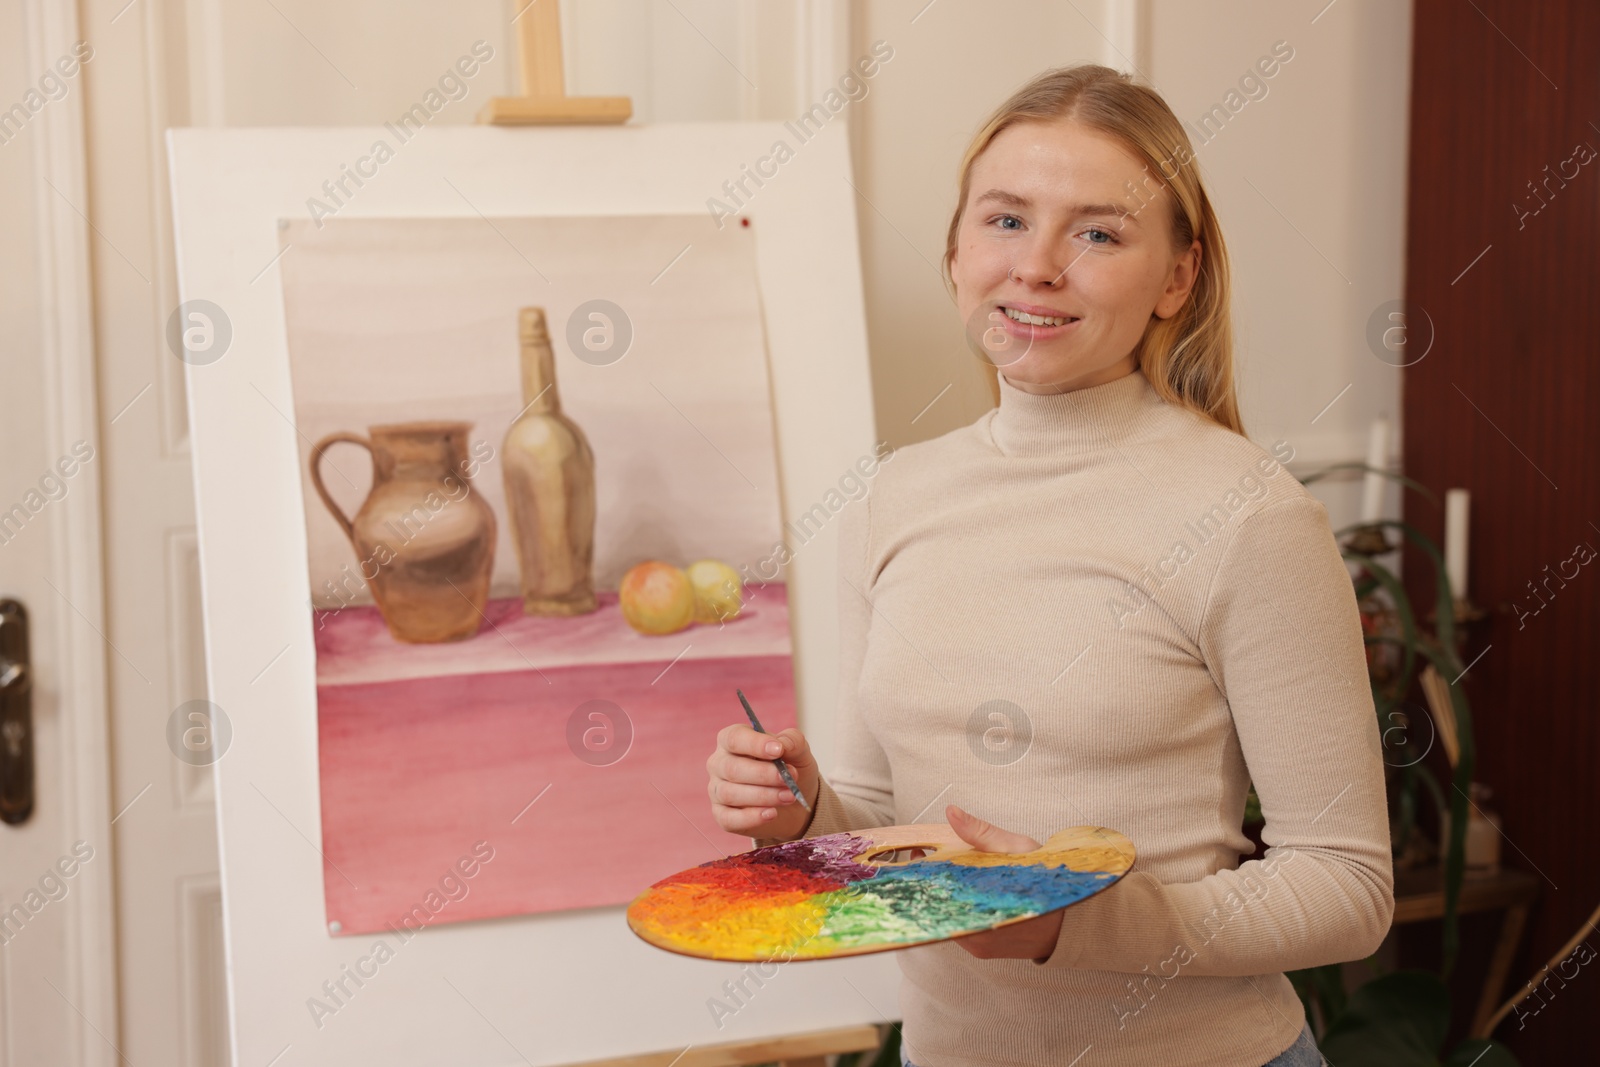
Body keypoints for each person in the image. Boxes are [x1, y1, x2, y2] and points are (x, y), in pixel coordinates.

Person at [705, 64, 1391, 1067]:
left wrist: (1070, 922)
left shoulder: (1247, 515)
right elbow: (882, 820)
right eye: (1006, 220)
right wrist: (803, 808)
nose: (1036, 266)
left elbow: (1346, 885)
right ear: (954, 252)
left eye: (1098, 232)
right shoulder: (891, 497)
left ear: (1176, 277)